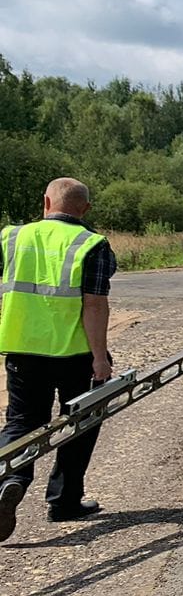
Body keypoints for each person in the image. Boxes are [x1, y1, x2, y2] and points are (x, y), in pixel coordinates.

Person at [0, 178, 117, 542]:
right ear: (85, 209)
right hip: (74, 353)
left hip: (22, 349)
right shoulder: (92, 243)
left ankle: (9, 480)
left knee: (22, 421)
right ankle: (65, 501)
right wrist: (100, 358)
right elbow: (94, 305)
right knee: (81, 421)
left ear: (46, 202)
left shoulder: (12, 237)